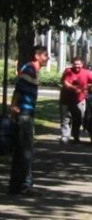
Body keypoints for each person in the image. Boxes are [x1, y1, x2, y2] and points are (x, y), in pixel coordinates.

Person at [8, 45, 49, 196]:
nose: (47, 58)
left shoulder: (32, 70)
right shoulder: (30, 69)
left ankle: (16, 185)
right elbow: (19, 89)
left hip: (27, 112)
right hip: (24, 114)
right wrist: (14, 106)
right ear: (37, 56)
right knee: (26, 150)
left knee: (22, 150)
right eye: (45, 55)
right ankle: (25, 185)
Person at [59, 56, 92, 144]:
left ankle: (75, 136)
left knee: (78, 119)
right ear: (72, 64)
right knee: (65, 119)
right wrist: (74, 88)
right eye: (75, 64)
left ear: (82, 65)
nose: (76, 66)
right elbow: (65, 83)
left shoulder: (86, 73)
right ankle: (65, 136)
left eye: (78, 64)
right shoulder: (68, 71)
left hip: (79, 100)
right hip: (65, 99)